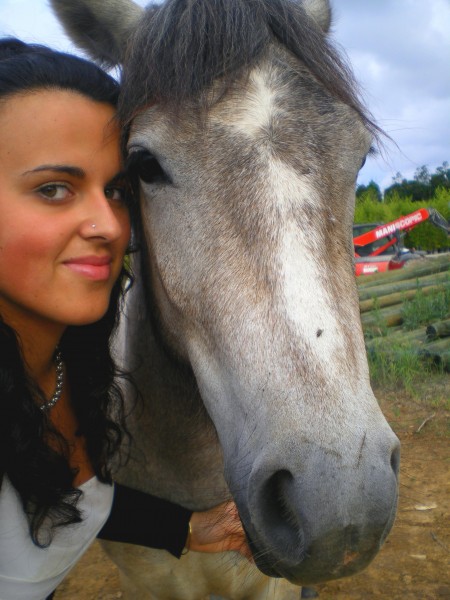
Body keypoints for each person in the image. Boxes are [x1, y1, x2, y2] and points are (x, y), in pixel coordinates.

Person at [0, 38, 250, 600]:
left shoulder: (72, 365)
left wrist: (187, 528)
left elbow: (51, 504)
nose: (111, 227)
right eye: (54, 188)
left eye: (115, 190)